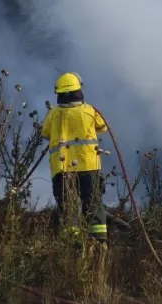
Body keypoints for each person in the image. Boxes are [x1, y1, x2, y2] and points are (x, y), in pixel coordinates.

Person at [40, 72, 109, 242]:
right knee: (92, 203)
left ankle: (73, 244)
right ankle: (99, 243)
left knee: (67, 206)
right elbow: (103, 127)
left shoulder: (54, 114)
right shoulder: (89, 111)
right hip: (88, 166)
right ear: (79, 90)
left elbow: (45, 133)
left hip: (62, 169)